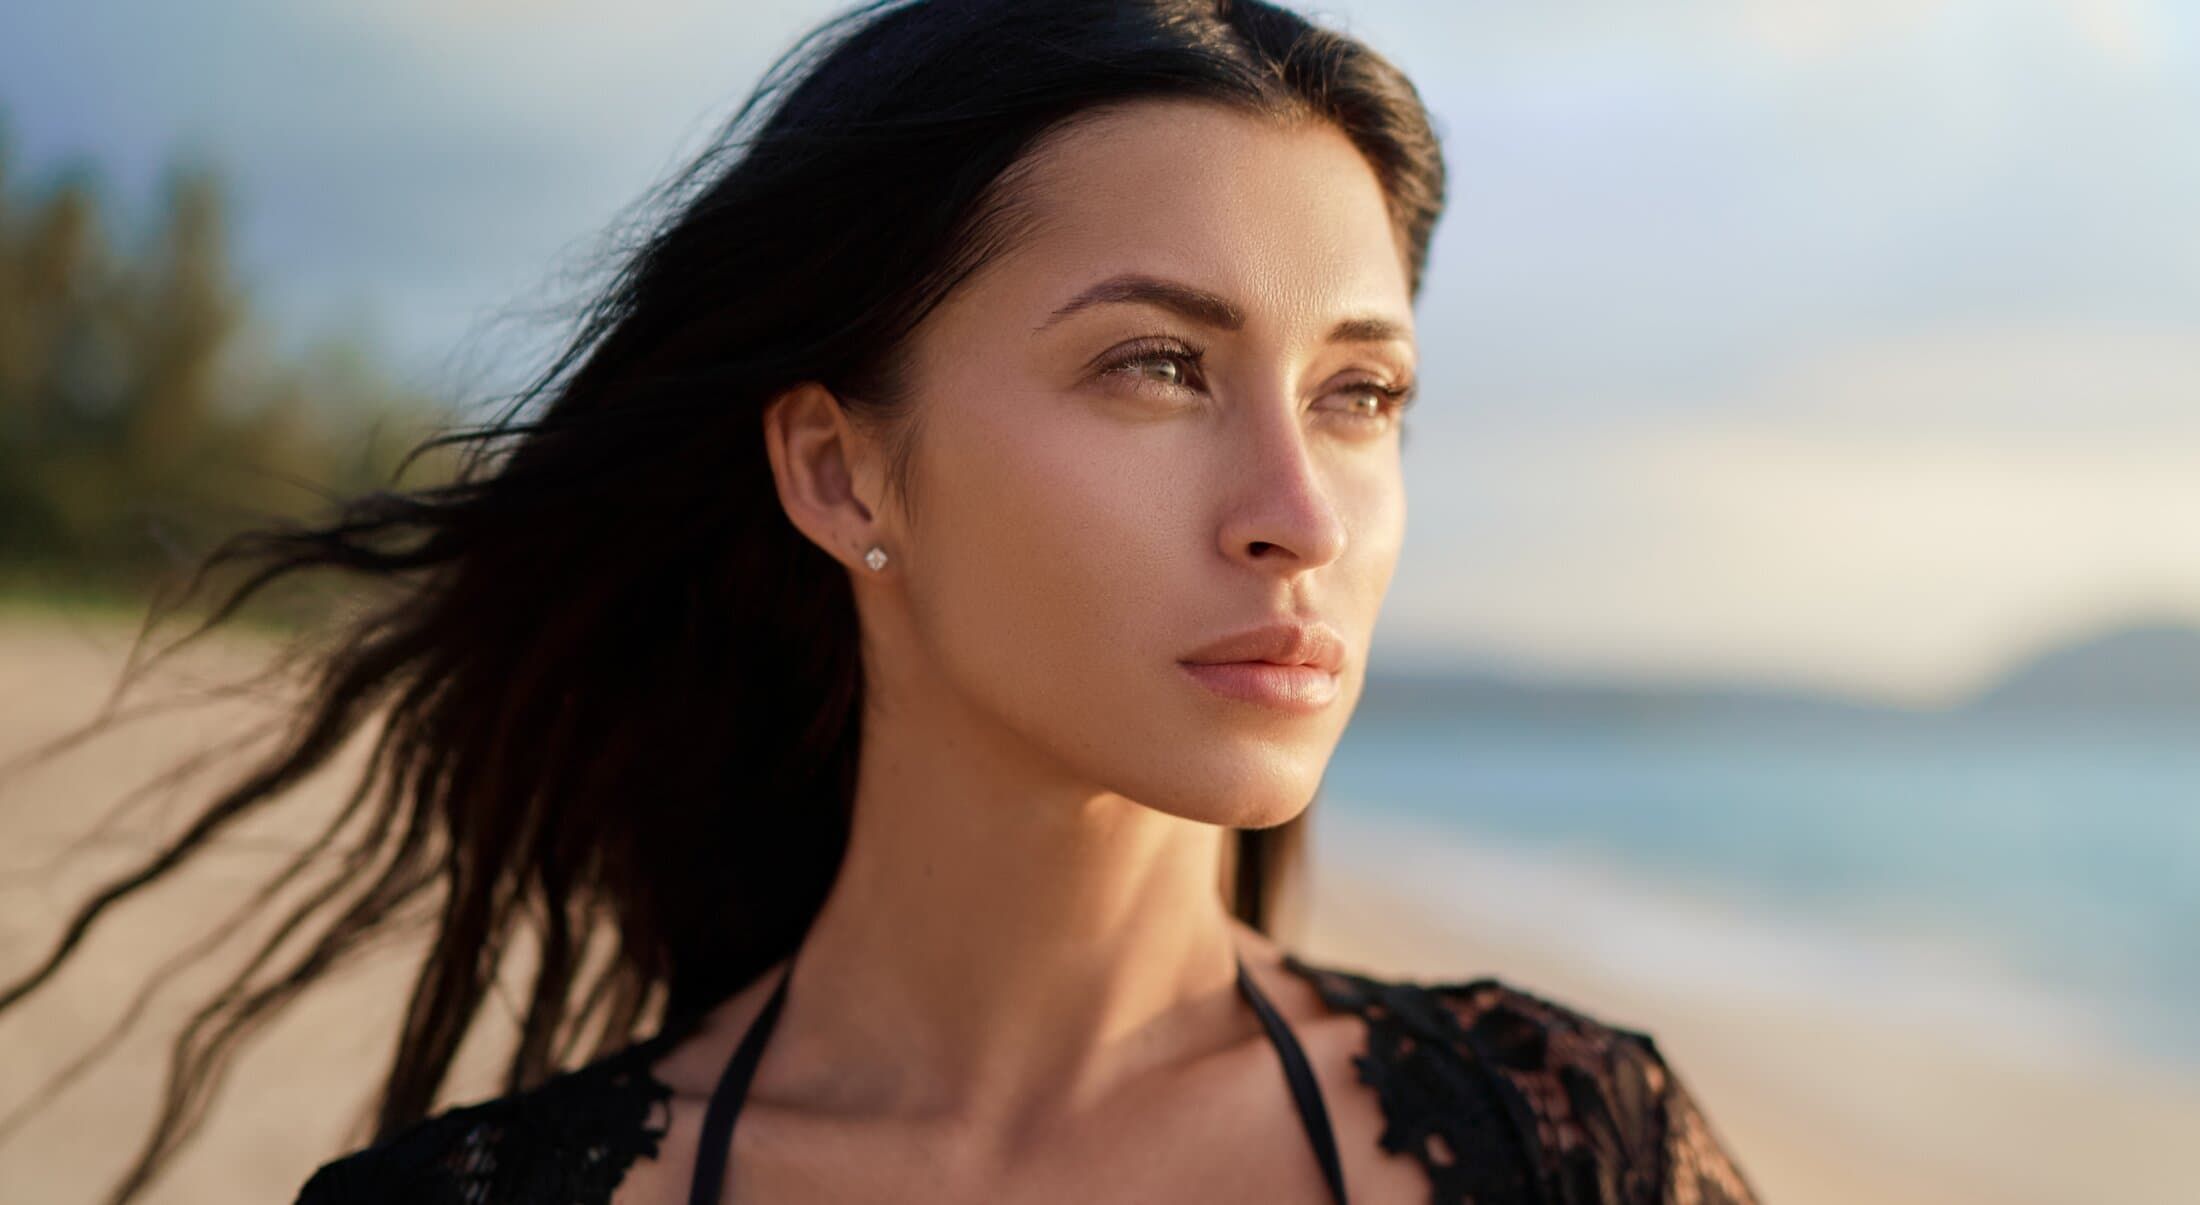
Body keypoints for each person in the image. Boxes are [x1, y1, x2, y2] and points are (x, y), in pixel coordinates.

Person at [2, 1, 1760, 1202]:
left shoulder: (1570, 1144)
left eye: (1358, 395)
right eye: (1156, 364)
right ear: (841, 473)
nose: (1298, 513)